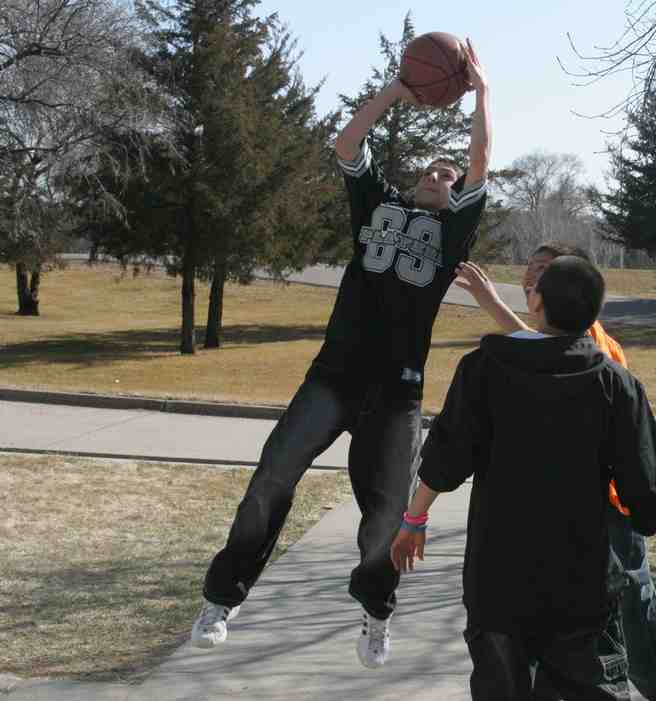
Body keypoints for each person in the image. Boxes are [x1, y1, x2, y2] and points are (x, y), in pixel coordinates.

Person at [189, 39, 491, 670]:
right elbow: (346, 146)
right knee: (272, 476)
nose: (440, 176)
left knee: (385, 517)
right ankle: (223, 597)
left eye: (448, 176)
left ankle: (376, 611)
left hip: (397, 394)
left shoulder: (451, 232)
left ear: (456, 194)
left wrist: (482, 94)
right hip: (333, 376)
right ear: (413, 179)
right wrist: (394, 93)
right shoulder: (376, 204)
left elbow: (480, 160)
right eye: (432, 171)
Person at [391, 255, 656, 700]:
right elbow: (647, 489)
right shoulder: (615, 385)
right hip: (581, 585)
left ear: (537, 304)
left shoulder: (483, 370)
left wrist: (413, 521)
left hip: (498, 580)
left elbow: (445, 459)